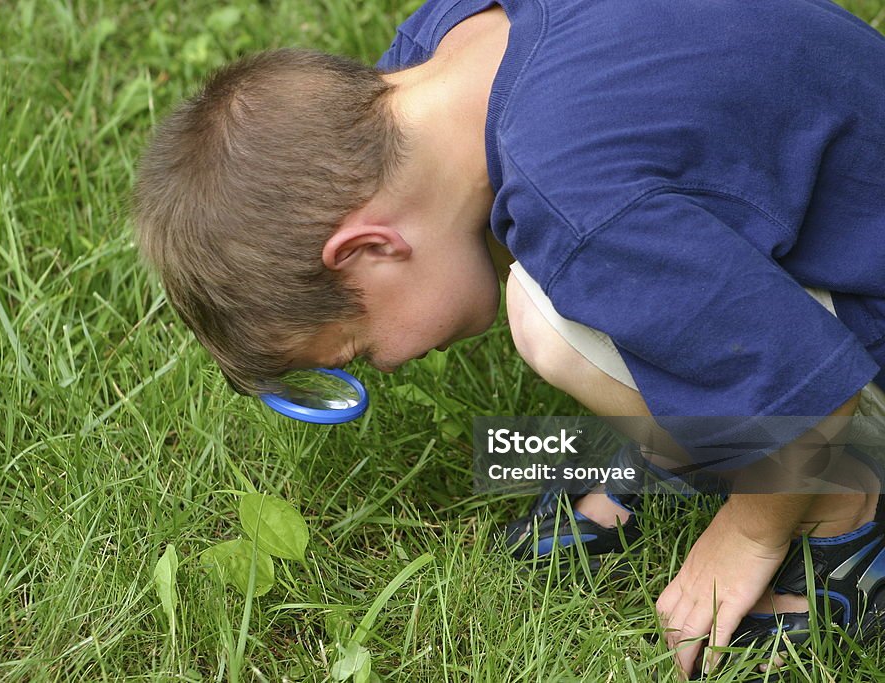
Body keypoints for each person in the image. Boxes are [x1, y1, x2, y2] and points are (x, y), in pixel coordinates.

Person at [131, 0, 885, 676]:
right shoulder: (447, 43)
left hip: (848, 348)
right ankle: (685, 445)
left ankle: (846, 513)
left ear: (369, 248)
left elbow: (810, 389)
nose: (389, 364)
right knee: (545, 318)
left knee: (548, 319)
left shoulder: (582, 203)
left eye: (361, 349)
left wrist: (746, 536)